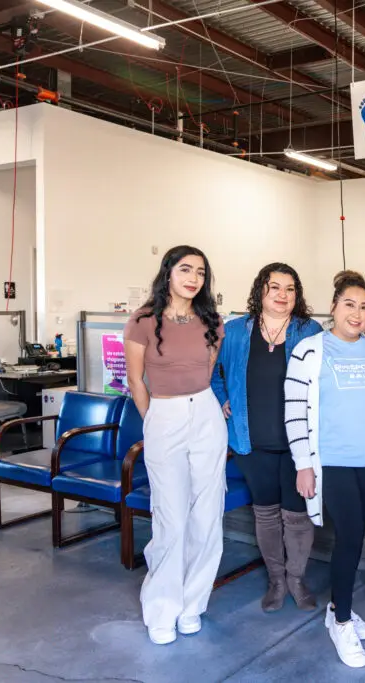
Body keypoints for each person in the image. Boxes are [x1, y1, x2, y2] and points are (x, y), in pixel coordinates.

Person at [285, 271, 365, 668]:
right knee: (352, 535)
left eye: (364, 307)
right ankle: (340, 620)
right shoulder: (310, 350)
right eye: (349, 305)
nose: (357, 314)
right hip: (332, 461)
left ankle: (340, 605)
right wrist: (303, 465)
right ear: (334, 307)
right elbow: (294, 413)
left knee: (354, 536)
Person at [124, 245, 227, 646]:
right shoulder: (143, 320)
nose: (193, 278)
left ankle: (192, 604)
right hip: (163, 413)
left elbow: (209, 369)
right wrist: (155, 420)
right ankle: (162, 608)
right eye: (186, 269)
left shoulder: (211, 320)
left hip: (205, 413)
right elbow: (136, 381)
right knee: (171, 516)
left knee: (206, 513)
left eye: (201, 272)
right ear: (168, 272)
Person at [210, 263, 322, 613]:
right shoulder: (234, 331)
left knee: (297, 514)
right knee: (266, 514)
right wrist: (221, 397)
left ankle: (296, 578)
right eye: (275, 287)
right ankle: (275, 579)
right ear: (261, 290)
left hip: (298, 444)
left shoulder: (310, 330)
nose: (282, 295)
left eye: (290, 288)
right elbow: (211, 371)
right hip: (250, 440)